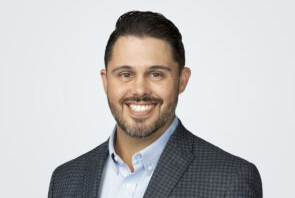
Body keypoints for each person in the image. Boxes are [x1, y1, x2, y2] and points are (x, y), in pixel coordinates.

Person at [48, 11, 262, 198]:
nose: (140, 90)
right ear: (105, 81)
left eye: (156, 74)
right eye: (125, 74)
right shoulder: (65, 180)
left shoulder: (231, 179)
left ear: (182, 80)